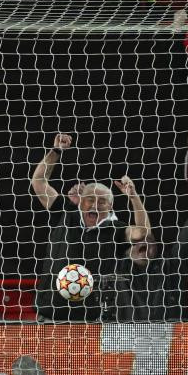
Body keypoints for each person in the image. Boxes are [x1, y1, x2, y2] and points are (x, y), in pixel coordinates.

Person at [29, 133, 150, 322]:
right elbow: (38, 182)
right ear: (80, 202)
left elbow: (142, 232)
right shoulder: (65, 211)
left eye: (102, 201)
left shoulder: (115, 229)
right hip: (49, 314)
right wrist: (56, 151)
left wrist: (133, 196)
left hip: (89, 319)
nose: (94, 205)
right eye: (89, 199)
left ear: (110, 207)